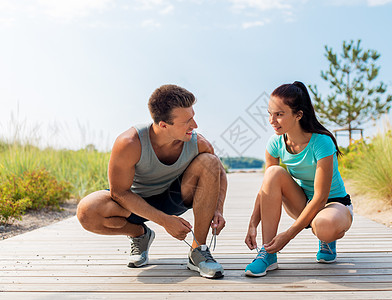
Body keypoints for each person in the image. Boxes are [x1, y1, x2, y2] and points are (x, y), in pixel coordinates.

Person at [77, 84, 227, 279]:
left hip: (175, 198)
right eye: (187, 121)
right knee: (86, 211)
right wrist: (165, 222)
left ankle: (198, 250)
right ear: (163, 125)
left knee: (210, 162)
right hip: (134, 202)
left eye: (193, 117)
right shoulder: (129, 143)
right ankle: (140, 234)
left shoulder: (198, 143)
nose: (195, 125)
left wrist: (218, 208)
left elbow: (219, 173)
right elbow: (119, 193)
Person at [244, 81, 353, 277]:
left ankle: (328, 240)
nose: (272, 120)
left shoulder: (322, 142)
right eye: (270, 113)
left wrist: (288, 235)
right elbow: (266, 188)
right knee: (272, 173)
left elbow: (321, 197)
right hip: (303, 203)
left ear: (298, 115)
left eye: (279, 114)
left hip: (333, 204)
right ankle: (268, 253)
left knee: (324, 227)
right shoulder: (275, 143)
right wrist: (253, 223)